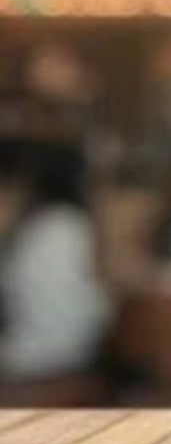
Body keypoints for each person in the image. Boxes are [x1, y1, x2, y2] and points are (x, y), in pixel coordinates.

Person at [0, 139, 112, 404]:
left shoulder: (39, 225)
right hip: (64, 351)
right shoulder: (71, 223)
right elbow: (95, 305)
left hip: (38, 351)